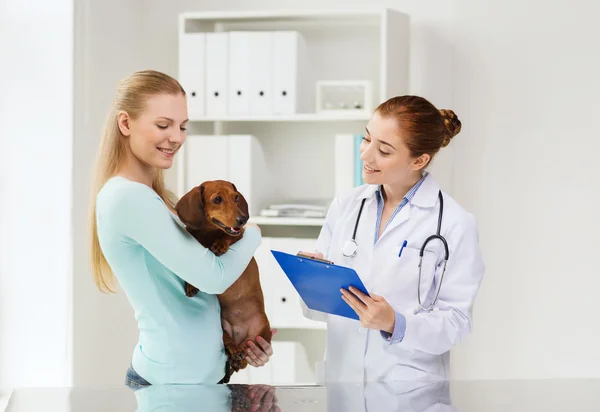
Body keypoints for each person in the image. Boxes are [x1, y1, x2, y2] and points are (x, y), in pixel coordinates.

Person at [88, 70, 274, 388]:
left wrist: (243, 337)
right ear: (125, 124)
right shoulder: (127, 197)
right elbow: (212, 277)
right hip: (172, 385)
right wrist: (253, 233)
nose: (176, 137)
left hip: (201, 379)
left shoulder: (158, 198)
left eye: (182, 126)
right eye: (163, 125)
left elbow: (193, 295)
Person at [301, 95, 485, 383]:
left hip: (409, 390)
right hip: (344, 383)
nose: (365, 155)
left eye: (384, 151)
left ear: (419, 160)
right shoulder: (346, 205)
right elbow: (322, 309)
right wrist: (312, 283)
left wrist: (395, 323)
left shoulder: (454, 223)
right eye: (366, 139)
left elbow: (457, 322)